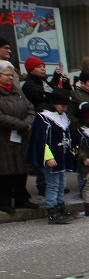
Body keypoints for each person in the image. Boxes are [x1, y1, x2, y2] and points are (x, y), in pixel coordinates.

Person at [28, 88, 77, 224]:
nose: (65, 108)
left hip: (62, 156)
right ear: (54, 103)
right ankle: (52, 210)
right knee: (53, 184)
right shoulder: (44, 118)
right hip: (52, 158)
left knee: (61, 183)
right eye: (63, 105)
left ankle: (60, 206)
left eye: (66, 106)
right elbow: (40, 140)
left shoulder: (62, 117)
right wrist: (48, 157)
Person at [0, 60, 38, 213]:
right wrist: (22, 124)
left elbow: (31, 109)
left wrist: (29, 122)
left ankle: (22, 199)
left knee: (21, 168)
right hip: (4, 138)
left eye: (12, 75)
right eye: (7, 75)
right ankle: (4, 202)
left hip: (21, 136)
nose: (10, 78)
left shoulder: (17, 90)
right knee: (5, 170)